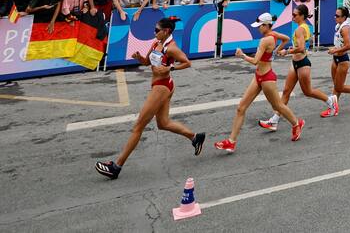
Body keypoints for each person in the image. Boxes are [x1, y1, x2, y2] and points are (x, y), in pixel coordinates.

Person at [95, 16, 205, 178]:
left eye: (157, 30)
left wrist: (170, 69)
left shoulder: (171, 48)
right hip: (160, 85)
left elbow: (187, 62)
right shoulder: (156, 43)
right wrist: (139, 58)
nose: (154, 32)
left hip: (162, 87)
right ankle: (195, 137)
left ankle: (116, 167)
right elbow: (148, 62)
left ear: (166, 31)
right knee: (163, 123)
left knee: (138, 126)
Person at [215, 13, 303, 152]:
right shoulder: (274, 34)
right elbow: (286, 39)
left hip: (267, 78)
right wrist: (276, 51)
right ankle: (231, 142)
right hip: (258, 76)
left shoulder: (265, 40)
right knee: (241, 108)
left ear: (266, 25)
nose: (258, 29)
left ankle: (296, 123)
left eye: (260, 26)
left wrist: (242, 55)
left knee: (278, 106)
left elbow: (255, 61)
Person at [258, 4, 337, 131]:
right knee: (286, 92)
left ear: (302, 16)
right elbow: (301, 47)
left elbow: (301, 48)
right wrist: (291, 50)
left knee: (308, 91)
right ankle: (274, 120)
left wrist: (286, 52)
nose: (292, 17)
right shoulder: (305, 27)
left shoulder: (300, 29)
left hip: (302, 64)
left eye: (295, 15)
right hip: (295, 63)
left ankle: (330, 101)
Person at [325, 5, 350, 114]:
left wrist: (334, 51)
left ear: (344, 17)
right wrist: (334, 50)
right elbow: (340, 43)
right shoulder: (338, 26)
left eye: (337, 16)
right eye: (335, 15)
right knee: (336, 86)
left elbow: (349, 46)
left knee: (338, 87)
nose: (335, 17)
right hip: (335, 59)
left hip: (343, 60)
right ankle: (334, 108)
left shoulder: (345, 28)